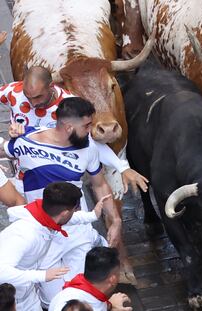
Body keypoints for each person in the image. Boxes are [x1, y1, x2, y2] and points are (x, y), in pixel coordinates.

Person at [3, 97, 123, 307]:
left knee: (83, 295)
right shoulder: (26, 141)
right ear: (68, 127)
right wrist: (13, 132)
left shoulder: (89, 148)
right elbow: (4, 149)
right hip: (44, 237)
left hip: (78, 232)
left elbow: (99, 185)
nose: (90, 131)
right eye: (86, 126)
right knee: (53, 300)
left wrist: (115, 221)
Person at [2, 66, 148, 196]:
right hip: (24, 178)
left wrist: (122, 167)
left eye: (38, 97)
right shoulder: (13, 92)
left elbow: (88, 142)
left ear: (51, 86)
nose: (33, 103)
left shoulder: (70, 106)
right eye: (28, 97)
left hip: (60, 180)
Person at [0, 182, 108, 311]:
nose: (76, 212)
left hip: (26, 292)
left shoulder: (42, 213)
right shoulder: (25, 235)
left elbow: (66, 218)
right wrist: (43, 276)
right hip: (11, 299)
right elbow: (2, 272)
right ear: (65, 213)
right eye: (76, 209)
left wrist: (92, 215)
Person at [49, 247, 132, 311]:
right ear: (113, 279)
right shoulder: (78, 306)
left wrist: (110, 305)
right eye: (118, 273)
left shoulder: (73, 292)